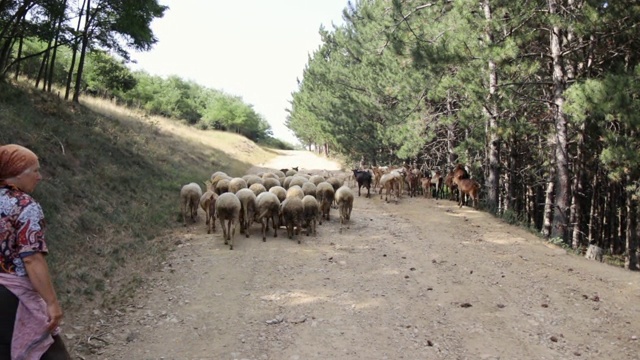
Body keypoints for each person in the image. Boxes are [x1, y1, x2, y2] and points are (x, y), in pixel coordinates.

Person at [0, 144, 71, 360]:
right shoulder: (24, 205)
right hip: (12, 296)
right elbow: (31, 258)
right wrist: (51, 302)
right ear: (16, 173)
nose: (39, 177)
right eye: (35, 171)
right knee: (48, 351)